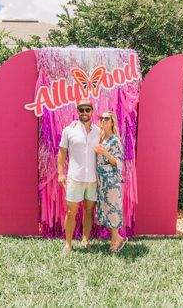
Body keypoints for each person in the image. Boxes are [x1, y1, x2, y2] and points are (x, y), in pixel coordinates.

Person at [58, 99, 100, 255]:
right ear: (77, 112)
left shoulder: (98, 131)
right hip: (74, 177)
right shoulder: (69, 130)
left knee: (89, 211)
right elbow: (62, 152)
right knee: (71, 212)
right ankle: (68, 244)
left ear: (92, 111)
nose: (84, 113)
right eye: (81, 110)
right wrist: (61, 173)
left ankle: (85, 240)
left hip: (93, 179)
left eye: (87, 110)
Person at [95, 111, 127, 252]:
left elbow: (118, 162)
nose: (103, 120)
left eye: (106, 118)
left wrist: (105, 153)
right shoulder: (100, 137)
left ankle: (115, 241)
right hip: (101, 180)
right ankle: (118, 238)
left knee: (113, 209)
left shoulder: (114, 140)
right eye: (101, 118)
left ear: (112, 121)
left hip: (111, 180)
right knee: (105, 210)